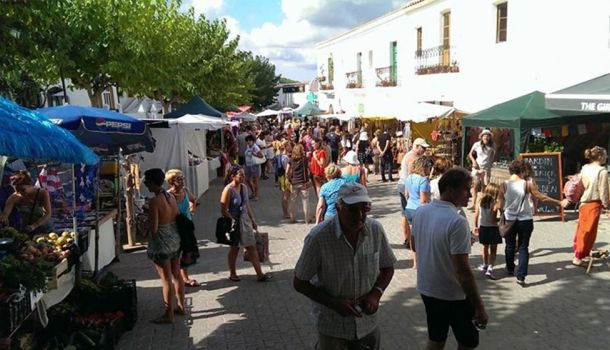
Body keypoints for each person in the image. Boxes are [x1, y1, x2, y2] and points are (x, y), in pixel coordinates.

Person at [294, 182, 396, 350]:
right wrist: (333, 303)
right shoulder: (318, 238)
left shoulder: (375, 230)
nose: (360, 215)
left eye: (365, 208)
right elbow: (299, 282)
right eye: (353, 209)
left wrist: (375, 294)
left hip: (367, 324)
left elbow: (388, 267)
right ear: (338, 207)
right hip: (333, 327)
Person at [411, 168, 488, 350]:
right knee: (468, 341)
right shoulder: (457, 221)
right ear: (450, 190)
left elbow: (415, 246)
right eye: (466, 189)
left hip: (428, 289)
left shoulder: (421, 212)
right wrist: (479, 306)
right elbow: (463, 272)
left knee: (436, 338)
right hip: (453, 294)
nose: (470, 194)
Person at [499, 160, 567, 284]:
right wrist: (559, 202)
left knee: (509, 246)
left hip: (509, 219)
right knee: (523, 247)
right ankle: (521, 276)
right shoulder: (526, 184)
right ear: (521, 170)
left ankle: (510, 268)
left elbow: (500, 204)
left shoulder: (503, 185)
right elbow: (541, 196)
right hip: (525, 220)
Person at [142, 168, 185, 324]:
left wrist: (146, 218)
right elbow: (176, 216)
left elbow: (153, 228)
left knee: (166, 279)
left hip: (162, 244)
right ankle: (181, 306)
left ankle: (169, 314)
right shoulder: (171, 197)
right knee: (177, 274)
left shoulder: (154, 202)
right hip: (175, 240)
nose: (145, 184)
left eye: (146, 182)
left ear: (153, 183)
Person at [220, 165, 272, 282]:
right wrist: (232, 222)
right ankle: (232, 273)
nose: (243, 177)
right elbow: (223, 210)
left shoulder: (244, 187)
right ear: (232, 176)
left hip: (245, 220)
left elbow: (246, 205)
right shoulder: (228, 190)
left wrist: (252, 220)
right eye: (241, 175)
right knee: (235, 248)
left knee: (251, 246)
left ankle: (259, 274)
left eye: (244, 174)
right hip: (233, 222)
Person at [572, 146, 609, 266]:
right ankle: (579, 257)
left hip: (583, 202)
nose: (607, 157)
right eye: (605, 154)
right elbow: (603, 190)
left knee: (582, 229)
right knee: (589, 231)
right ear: (600, 156)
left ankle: (583, 254)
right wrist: (606, 204)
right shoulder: (602, 171)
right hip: (593, 202)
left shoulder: (585, 167)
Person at [166, 169, 199, 287]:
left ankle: (184, 278)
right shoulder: (168, 195)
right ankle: (177, 278)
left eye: (182, 178)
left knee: (186, 251)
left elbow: (193, 200)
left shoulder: (185, 191)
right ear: (171, 182)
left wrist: (192, 209)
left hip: (187, 227)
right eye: (179, 179)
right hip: (175, 228)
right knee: (175, 253)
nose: (182, 181)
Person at [0, 170, 52, 235]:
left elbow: (48, 213)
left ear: (30, 185)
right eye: (17, 191)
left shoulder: (42, 193)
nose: (20, 193)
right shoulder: (14, 197)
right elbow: (5, 213)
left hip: (44, 227)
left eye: (23, 190)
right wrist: (4, 218)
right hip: (26, 229)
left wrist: (34, 225)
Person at [404, 156, 434, 265]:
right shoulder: (423, 180)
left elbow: (406, 194)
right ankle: (424, 260)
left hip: (409, 208)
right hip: (420, 210)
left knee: (413, 236)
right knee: (423, 237)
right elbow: (423, 200)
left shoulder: (409, 177)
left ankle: (415, 262)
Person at [473, 182, 502, 279]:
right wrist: (501, 218)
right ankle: (490, 268)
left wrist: (476, 226)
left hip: (483, 227)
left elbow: (476, 215)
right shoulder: (495, 203)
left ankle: (485, 264)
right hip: (493, 228)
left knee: (485, 247)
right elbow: (494, 219)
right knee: (493, 250)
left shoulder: (480, 201)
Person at [468, 129, 495, 210]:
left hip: (486, 168)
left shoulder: (492, 145)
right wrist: (473, 161)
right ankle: (473, 204)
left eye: (488, 136)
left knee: (484, 187)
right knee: (475, 186)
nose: (486, 137)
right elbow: (470, 154)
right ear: (482, 137)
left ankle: (480, 205)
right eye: (485, 135)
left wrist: (490, 165)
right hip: (477, 168)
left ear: (490, 137)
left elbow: (493, 156)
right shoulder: (477, 144)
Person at [286, 144, 312, 224]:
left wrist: (290, 179)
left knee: (293, 200)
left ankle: (292, 218)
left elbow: (287, 171)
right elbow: (309, 169)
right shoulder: (305, 159)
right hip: (304, 182)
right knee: (305, 201)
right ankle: (307, 219)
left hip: (294, 182)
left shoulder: (291, 160)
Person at [244, 134, 264, 201]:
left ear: (253, 141)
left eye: (250, 140)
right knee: (247, 179)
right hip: (248, 165)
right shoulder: (248, 146)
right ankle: (253, 192)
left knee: (255, 181)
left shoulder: (255, 147)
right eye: (247, 141)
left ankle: (256, 195)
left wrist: (254, 154)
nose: (248, 142)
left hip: (254, 166)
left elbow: (261, 156)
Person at [276, 141, 292, 218]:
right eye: (289, 145)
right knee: (286, 196)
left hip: (281, 177)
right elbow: (287, 170)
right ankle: (286, 213)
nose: (291, 147)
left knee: (283, 195)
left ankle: (285, 212)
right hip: (286, 178)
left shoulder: (279, 155)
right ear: (286, 147)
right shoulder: (286, 157)